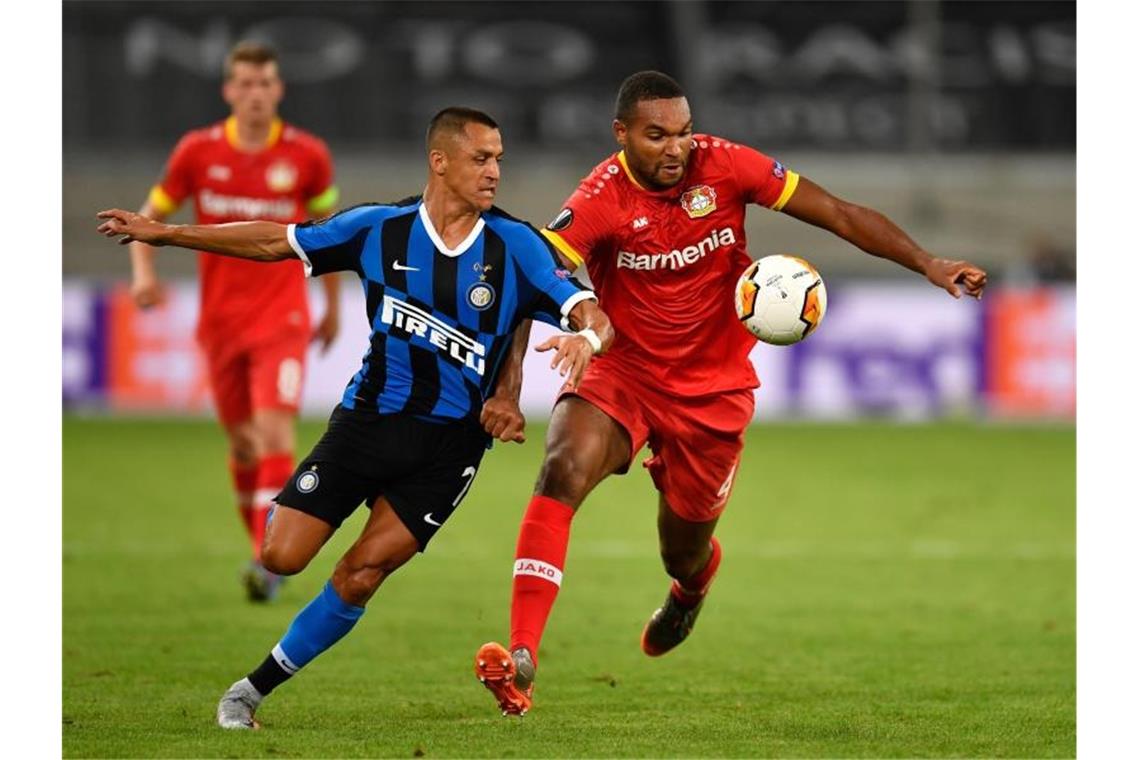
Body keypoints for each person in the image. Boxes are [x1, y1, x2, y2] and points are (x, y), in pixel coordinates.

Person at [475, 71, 988, 716]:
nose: (675, 148)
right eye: (657, 135)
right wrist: (510, 385)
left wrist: (928, 262)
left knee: (682, 550)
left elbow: (837, 214)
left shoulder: (727, 166)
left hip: (711, 393)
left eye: (683, 132)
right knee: (561, 470)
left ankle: (690, 592)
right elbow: (533, 275)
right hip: (622, 372)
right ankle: (522, 658)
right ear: (622, 134)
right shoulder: (600, 198)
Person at [97, 106, 615, 730]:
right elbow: (275, 239)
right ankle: (282, 510)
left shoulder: (518, 245)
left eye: (499, 158)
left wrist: (586, 340)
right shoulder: (379, 229)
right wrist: (169, 233)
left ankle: (250, 691)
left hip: (449, 448)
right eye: (482, 158)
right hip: (364, 424)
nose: (494, 171)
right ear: (440, 161)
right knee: (281, 556)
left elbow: (585, 307)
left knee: (362, 572)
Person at [128, 41, 343, 602]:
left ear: (279, 90)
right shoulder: (196, 152)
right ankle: (260, 547)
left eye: (265, 83)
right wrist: (143, 273)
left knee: (273, 432)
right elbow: (151, 218)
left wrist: (334, 308)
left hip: (283, 317)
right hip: (220, 322)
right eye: (245, 84)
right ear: (229, 91)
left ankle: (269, 559)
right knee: (244, 446)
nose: (255, 94)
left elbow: (332, 235)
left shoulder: (307, 156)